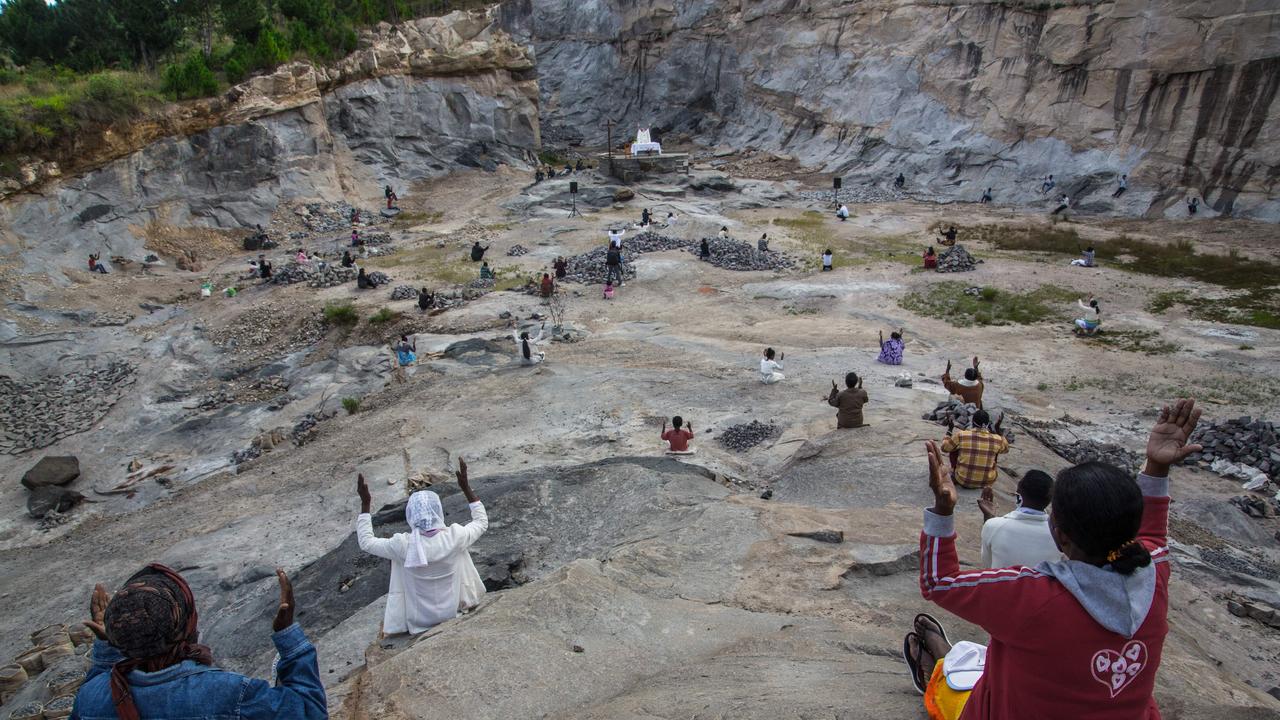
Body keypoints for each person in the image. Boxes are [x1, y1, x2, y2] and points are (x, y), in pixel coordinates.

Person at [903, 398, 1197, 720]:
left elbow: (939, 581)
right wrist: (1157, 467)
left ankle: (934, 666)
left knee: (958, 691)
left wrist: (943, 511)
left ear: (1061, 534)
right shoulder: (1153, 576)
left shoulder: (1035, 596)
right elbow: (1154, 537)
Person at [71, 564, 326, 720]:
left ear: (119, 639)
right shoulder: (229, 693)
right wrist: (288, 637)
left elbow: (101, 689)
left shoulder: (89, 700)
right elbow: (309, 712)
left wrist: (107, 652)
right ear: (187, 623)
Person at [355, 465, 488, 635]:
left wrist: (365, 504)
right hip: (451, 613)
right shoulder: (455, 537)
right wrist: (466, 488)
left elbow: (366, 542)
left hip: (418, 622)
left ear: (411, 515)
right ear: (438, 511)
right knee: (462, 552)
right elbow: (481, 522)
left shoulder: (402, 545)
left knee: (396, 561)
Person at [978, 470, 1061, 569]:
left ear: (1019, 495)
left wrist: (989, 518)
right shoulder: (1059, 534)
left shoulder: (993, 525)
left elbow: (987, 566)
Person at [940, 409, 1008, 490]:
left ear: (972, 422)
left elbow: (944, 448)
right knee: (995, 449)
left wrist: (950, 430)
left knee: (954, 448)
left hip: (962, 480)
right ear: (988, 424)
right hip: (987, 482)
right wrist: (997, 430)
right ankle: (984, 474)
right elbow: (1006, 449)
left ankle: (956, 473)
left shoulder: (961, 435)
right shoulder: (997, 439)